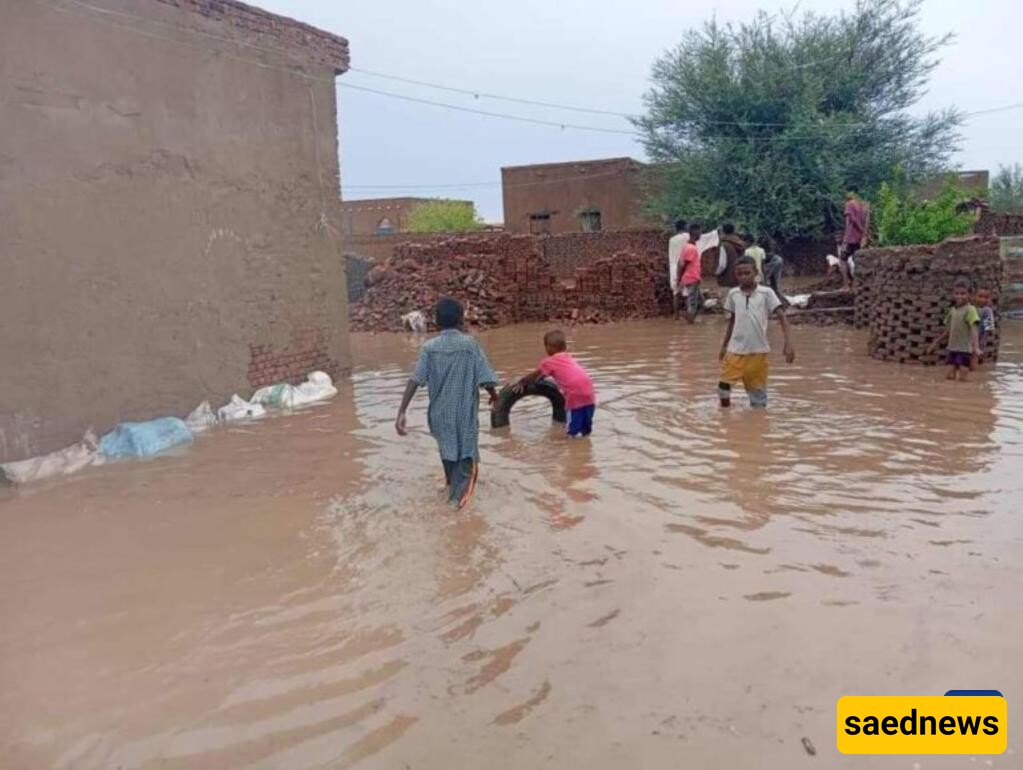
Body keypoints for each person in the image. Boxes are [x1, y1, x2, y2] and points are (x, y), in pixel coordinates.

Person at [395, 297, 499, 508]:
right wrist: (494, 395)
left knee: (448, 452)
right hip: (464, 416)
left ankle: (450, 488)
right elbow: (485, 377)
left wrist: (402, 411)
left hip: (439, 415)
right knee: (467, 459)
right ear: (461, 320)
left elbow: (415, 379)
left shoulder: (429, 348)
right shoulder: (470, 345)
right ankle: (457, 509)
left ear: (436, 322)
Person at [718, 256, 795, 408]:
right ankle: (725, 414)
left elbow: (782, 317)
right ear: (735, 275)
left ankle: (758, 425)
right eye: (739, 274)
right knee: (723, 388)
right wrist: (723, 345)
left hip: (758, 351)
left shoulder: (766, 293)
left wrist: (788, 343)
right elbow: (733, 320)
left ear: (756, 273)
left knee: (758, 396)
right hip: (735, 350)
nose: (743, 277)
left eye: (747, 273)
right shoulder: (733, 294)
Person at [514, 329, 596, 437]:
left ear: (548, 347)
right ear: (565, 347)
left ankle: (573, 449)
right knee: (586, 430)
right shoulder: (567, 357)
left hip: (574, 397)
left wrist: (522, 381)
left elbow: (535, 374)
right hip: (590, 395)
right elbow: (544, 374)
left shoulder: (548, 361)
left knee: (572, 432)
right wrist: (541, 378)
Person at [926, 279, 981, 382]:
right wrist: (935, 343)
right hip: (952, 349)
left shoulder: (970, 310)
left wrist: (976, 348)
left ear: (969, 294)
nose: (959, 296)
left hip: (964, 350)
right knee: (949, 377)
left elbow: (974, 329)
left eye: (963, 293)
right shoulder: (952, 310)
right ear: (953, 294)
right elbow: (948, 331)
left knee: (963, 379)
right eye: (957, 293)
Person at [841, 186, 870, 289]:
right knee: (857, 260)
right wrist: (864, 234)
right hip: (859, 238)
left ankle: (846, 284)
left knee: (843, 259)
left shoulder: (849, 204)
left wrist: (845, 238)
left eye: (847, 192)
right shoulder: (864, 205)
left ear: (853, 192)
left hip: (850, 237)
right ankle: (857, 284)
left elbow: (850, 221)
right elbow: (867, 221)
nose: (846, 195)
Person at [679, 223, 704, 323]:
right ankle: (689, 321)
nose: (701, 235)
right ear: (695, 233)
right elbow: (683, 265)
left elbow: (681, 264)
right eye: (700, 232)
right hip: (692, 278)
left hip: (693, 278)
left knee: (700, 303)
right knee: (692, 303)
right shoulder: (691, 248)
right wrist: (680, 279)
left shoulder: (689, 247)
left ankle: (689, 317)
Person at [667, 219, 690, 319]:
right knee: (686, 293)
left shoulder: (671, 240)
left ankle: (676, 316)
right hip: (684, 266)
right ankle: (688, 315)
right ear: (684, 226)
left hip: (673, 268)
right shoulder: (687, 237)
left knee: (676, 293)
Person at [716, 223, 746, 289]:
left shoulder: (724, 245)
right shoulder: (740, 244)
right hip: (739, 280)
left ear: (723, 232)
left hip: (726, 281)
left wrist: (715, 274)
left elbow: (721, 265)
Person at [760, 238, 788, 307]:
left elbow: (763, 264)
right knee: (774, 284)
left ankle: (780, 304)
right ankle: (781, 303)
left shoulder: (762, 252)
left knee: (766, 282)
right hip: (777, 261)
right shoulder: (765, 251)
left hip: (775, 262)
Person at [975, 288, 996, 365]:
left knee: (977, 356)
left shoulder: (987, 310)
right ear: (974, 296)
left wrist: (982, 340)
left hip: (980, 338)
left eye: (986, 297)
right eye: (980, 296)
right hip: (972, 338)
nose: (982, 300)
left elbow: (988, 328)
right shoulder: (973, 309)